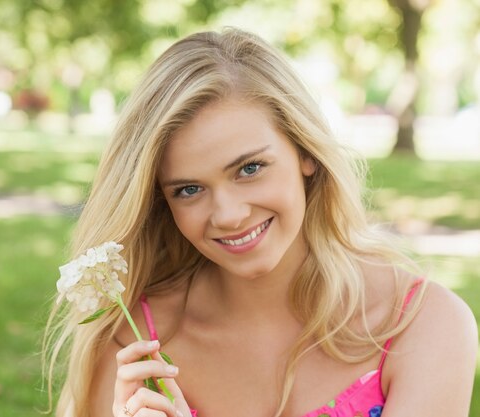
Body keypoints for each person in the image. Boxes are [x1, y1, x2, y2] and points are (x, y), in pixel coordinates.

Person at [43, 28, 478, 417]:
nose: (229, 215)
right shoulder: (132, 344)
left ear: (305, 153)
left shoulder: (423, 326)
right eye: (188, 189)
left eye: (250, 168)